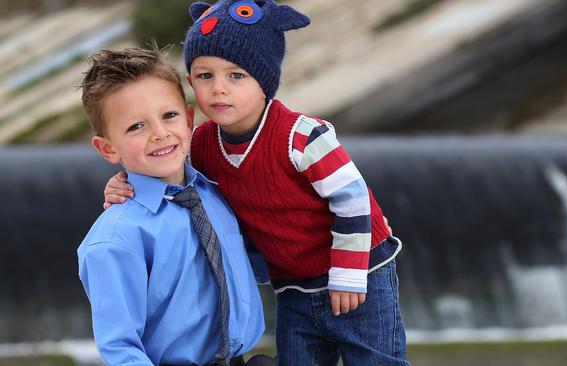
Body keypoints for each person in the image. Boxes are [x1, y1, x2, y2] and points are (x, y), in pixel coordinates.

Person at [103, 1, 409, 365]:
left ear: (264, 80)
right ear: (190, 83)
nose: (219, 89)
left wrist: (347, 276)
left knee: (375, 359)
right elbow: (161, 165)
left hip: (360, 271)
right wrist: (121, 183)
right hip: (294, 283)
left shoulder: (302, 136)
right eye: (205, 76)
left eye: (236, 76)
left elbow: (353, 200)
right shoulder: (200, 143)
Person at [77, 46, 273, 366]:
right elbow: (121, 349)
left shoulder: (214, 190)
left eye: (169, 115)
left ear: (189, 119)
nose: (160, 133)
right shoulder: (115, 241)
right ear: (108, 148)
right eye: (136, 126)